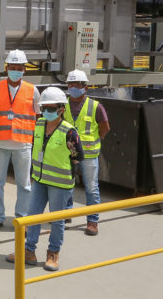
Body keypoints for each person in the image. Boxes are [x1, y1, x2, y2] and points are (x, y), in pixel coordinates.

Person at [6, 87, 83, 271]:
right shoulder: (39, 125)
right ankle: (28, 251)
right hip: (39, 180)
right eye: (44, 108)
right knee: (32, 216)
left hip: (60, 184)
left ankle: (53, 253)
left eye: (51, 108)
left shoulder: (69, 132)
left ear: (61, 109)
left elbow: (78, 156)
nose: (47, 112)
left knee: (57, 220)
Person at [0, 49, 41, 231]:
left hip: (23, 144)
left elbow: (38, 116)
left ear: (25, 70)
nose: (15, 70)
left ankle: (22, 218)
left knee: (24, 184)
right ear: (7, 68)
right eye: (12, 67)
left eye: (19, 68)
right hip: (0, 143)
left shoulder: (33, 91)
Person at [63, 69, 110, 235]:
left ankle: (92, 221)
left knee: (91, 187)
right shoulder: (63, 104)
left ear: (85, 87)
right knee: (66, 185)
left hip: (89, 155)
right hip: (68, 154)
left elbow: (105, 127)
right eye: (71, 84)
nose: (73, 87)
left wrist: (95, 140)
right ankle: (67, 213)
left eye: (77, 84)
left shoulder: (96, 106)